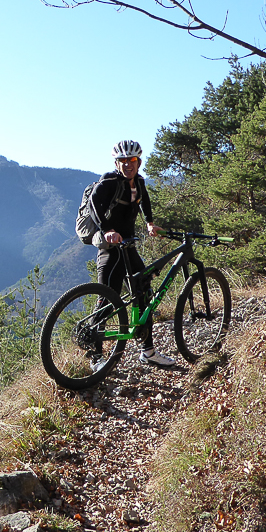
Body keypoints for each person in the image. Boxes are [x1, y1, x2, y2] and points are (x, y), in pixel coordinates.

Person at [89, 140, 176, 366]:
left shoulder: (139, 182)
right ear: (116, 163)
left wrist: (150, 223)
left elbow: (144, 200)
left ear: (139, 162)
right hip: (110, 249)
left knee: (144, 294)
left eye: (132, 160)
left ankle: (148, 351)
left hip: (129, 247)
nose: (128, 164)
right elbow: (93, 204)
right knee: (106, 300)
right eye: (123, 160)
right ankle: (95, 357)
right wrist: (107, 230)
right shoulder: (109, 182)